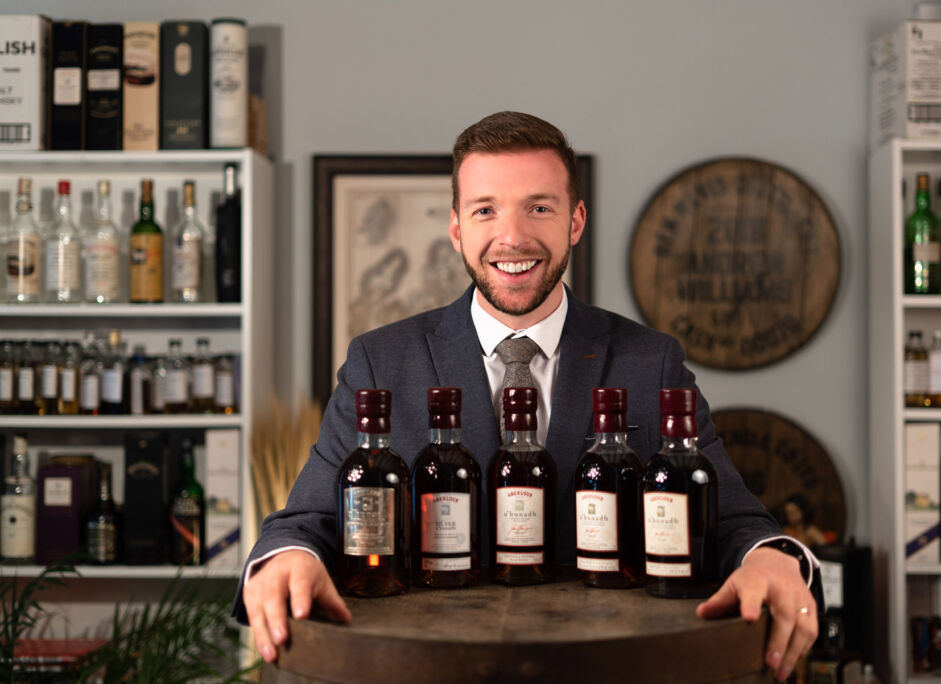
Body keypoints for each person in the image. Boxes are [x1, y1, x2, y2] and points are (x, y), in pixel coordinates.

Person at [236, 111, 820, 681]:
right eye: (486, 209)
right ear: (457, 227)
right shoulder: (380, 361)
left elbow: (739, 521)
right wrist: (291, 558)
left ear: (575, 221)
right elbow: (306, 520)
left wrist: (769, 556)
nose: (512, 237)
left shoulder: (652, 360)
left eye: (539, 207)